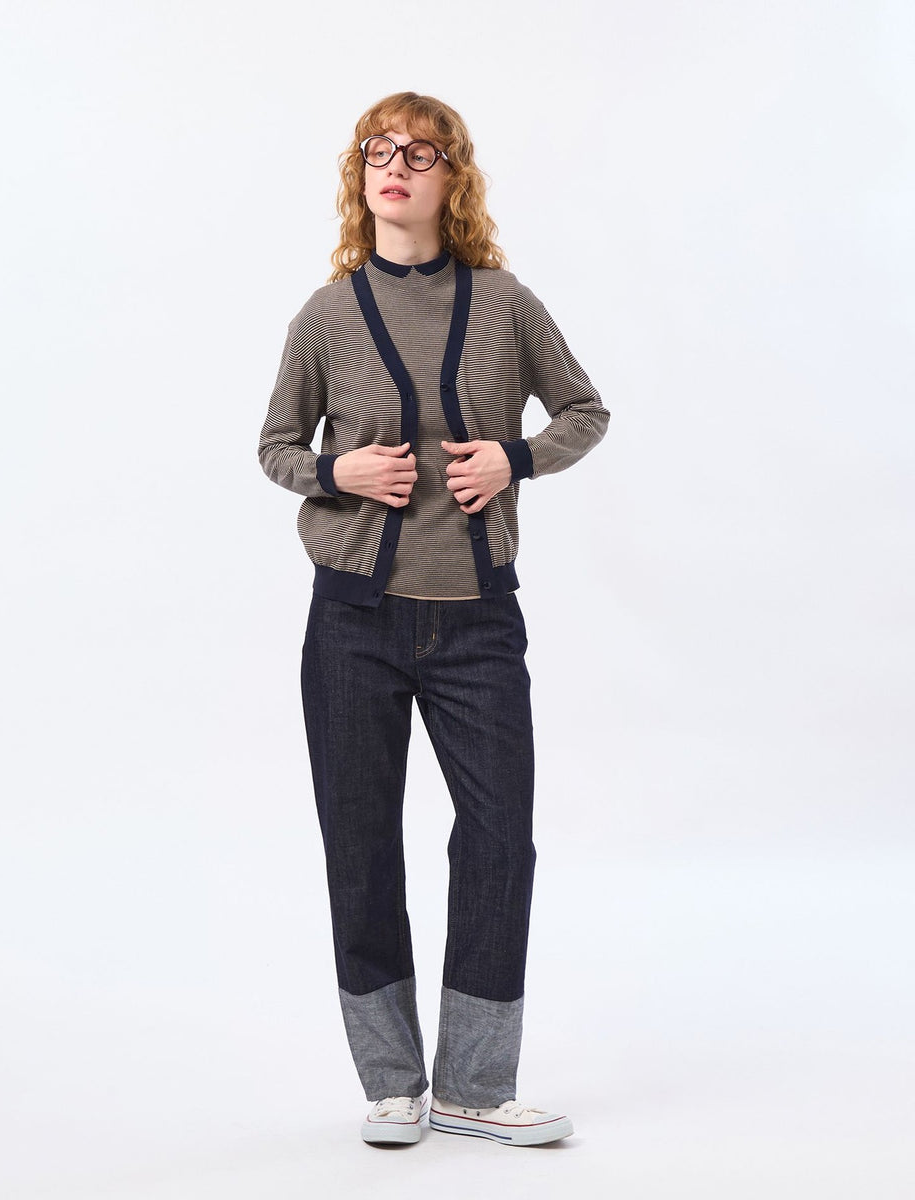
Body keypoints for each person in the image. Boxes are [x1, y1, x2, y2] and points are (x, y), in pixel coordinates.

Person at [258, 91, 609, 1147]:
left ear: (452, 177)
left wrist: (516, 458)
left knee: (500, 843)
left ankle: (472, 1085)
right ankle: (391, 1082)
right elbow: (276, 446)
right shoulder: (327, 315)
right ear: (358, 175)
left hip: (476, 622)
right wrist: (337, 472)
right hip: (353, 622)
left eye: (419, 152)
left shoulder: (503, 304)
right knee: (361, 846)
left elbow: (583, 409)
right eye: (379, 150)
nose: (395, 166)